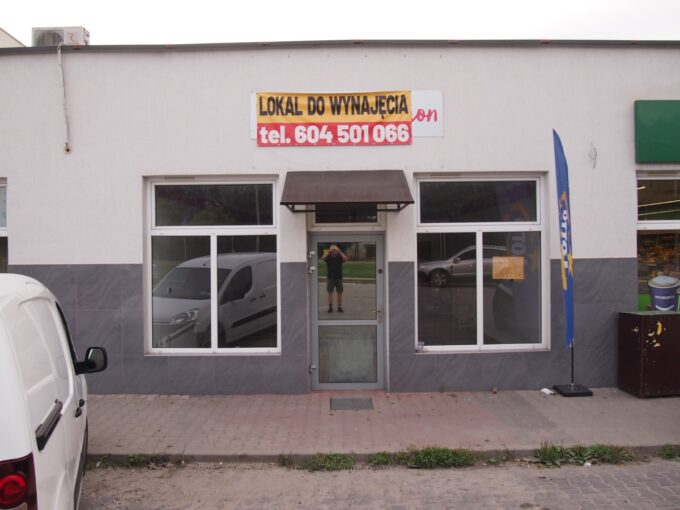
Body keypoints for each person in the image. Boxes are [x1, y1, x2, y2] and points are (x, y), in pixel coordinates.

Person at [321, 244, 348, 313]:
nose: (334, 251)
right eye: (332, 249)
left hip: (339, 278)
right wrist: (329, 251)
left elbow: (345, 259)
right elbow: (322, 258)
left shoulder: (339, 257)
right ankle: (330, 308)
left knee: (339, 293)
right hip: (330, 278)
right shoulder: (328, 257)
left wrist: (339, 251)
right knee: (330, 293)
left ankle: (339, 307)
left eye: (335, 250)